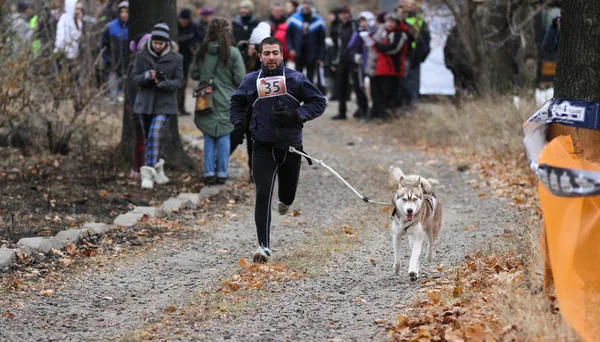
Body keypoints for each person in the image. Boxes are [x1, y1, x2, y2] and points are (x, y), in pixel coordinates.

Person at [230, 37, 326, 263]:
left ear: (282, 55)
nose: (271, 57)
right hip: (261, 146)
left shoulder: (296, 79)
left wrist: (297, 114)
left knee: (287, 195)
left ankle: (286, 200)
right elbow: (237, 103)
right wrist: (237, 123)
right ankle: (263, 247)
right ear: (259, 56)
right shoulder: (251, 80)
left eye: (275, 53)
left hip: (291, 147)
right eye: (266, 53)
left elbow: (319, 102)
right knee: (262, 194)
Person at [190, 18, 246, 186]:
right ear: (228, 32)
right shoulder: (233, 53)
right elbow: (240, 79)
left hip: (205, 99)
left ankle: (208, 172)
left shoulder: (201, 51)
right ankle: (222, 173)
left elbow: (193, 74)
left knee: (208, 136)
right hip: (227, 99)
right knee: (224, 135)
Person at [130, 22, 184, 189]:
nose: (158, 46)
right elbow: (134, 78)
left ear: (167, 43)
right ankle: (158, 171)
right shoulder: (141, 56)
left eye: (161, 43)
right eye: (155, 43)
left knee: (155, 132)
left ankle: (147, 174)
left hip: (165, 104)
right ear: (151, 41)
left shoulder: (177, 58)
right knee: (149, 138)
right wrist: (146, 76)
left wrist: (164, 83)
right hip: (144, 103)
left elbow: (179, 81)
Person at [331, 7, 369, 120]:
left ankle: (363, 110)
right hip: (341, 60)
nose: (344, 16)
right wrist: (334, 61)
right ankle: (342, 112)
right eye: (342, 14)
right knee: (341, 86)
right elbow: (335, 44)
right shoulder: (337, 27)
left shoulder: (354, 25)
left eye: (346, 13)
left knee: (358, 85)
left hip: (354, 60)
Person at [371, 14, 409, 120]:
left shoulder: (400, 34)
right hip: (382, 69)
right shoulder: (385, 34)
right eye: (387, 22)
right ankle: (382, 115)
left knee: (391, 94)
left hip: (393, 70)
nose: (389, 24)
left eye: (392, 22)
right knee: (382, 94)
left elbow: (393, 49)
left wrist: (379, 47)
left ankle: (390, 116)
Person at [126, 33, 152, 179]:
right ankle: (137, 168)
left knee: (150, 139)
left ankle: (148, 168)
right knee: (140, 140)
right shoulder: (134, 64)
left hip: (151, 107)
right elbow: (131, 88)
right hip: (138, 107)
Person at [286, 0, 326, 84]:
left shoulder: (318, 20)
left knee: (310, 77)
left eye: (308, 4)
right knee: (297, 75)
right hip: (298, 52)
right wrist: (291, 48)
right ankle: (298, 93)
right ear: (301, 5)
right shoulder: (294, 18)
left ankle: (308, 95)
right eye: (304, 3)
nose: (306, 6)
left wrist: (321, 56)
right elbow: (289, 36)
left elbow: (322, 41)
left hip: (312, 53)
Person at [100, 0, 129, 103]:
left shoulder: (133, 27)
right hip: (113, 63)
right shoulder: (110, 27)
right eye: (122, 12)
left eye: (127, 12)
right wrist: (106, 59)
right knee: (113, 89)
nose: (124, 15)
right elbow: (103, 45)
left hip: (127, 64)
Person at [177, 8, 202, 116]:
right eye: (181, 19)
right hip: (176, 58)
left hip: (188, 59)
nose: (183, 21)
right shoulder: (175, 26)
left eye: (185, 19)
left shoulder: (194, 27)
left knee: (183, 84)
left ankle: (181, 107)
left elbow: (200, 38)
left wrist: (194, 46)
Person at [54, 0, 83, 66]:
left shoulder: (79, 22)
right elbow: (61, 39)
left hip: (73, 58)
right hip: (63, 57)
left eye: (80, 9)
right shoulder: (64, 20)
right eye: (76, 9)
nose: (78, 11)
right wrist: (68, 55)